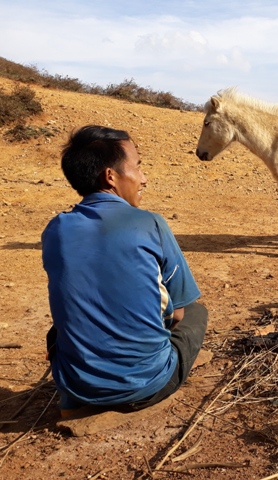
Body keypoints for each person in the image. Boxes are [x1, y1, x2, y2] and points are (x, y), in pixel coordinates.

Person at [42, 125, 207, 416]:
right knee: (195, 312)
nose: (144, 179)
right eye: (138, 167)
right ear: (111, 176)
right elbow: (178, 313)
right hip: (145, 387)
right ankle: (144, 371)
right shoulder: (150, 224)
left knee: (62, 326)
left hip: (77, 385)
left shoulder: (55, 229)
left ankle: (72, 402)